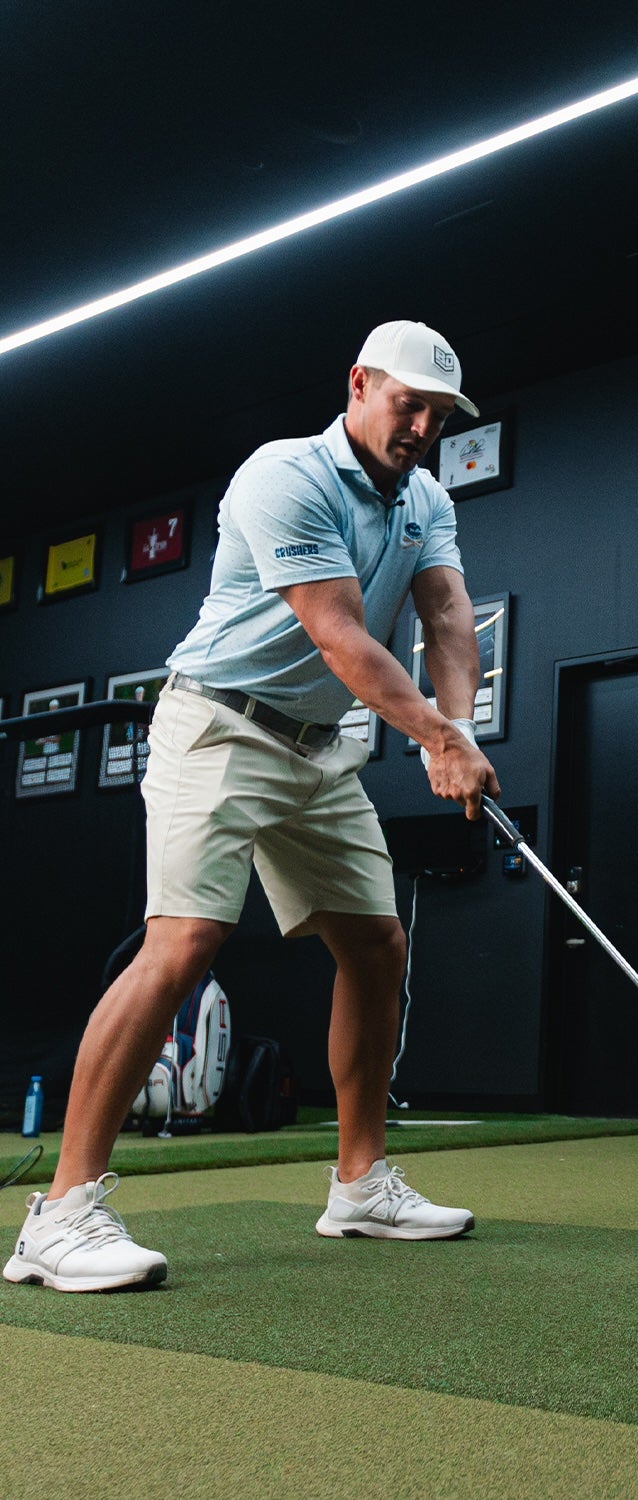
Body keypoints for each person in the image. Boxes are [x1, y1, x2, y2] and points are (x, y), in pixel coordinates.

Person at [5, 320, 500, 1293]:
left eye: (441, 415)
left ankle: (359, 1183)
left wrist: (461, 725)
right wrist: (436, 740)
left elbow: (445, 613)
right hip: (220, 728)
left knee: (376, 945)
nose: (423, 427)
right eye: (410, 405)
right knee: (183, 942)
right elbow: (342, 635)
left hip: (320, 754)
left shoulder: (427, 498)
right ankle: (59, 1216)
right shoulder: (287, 474)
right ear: (359, 385)